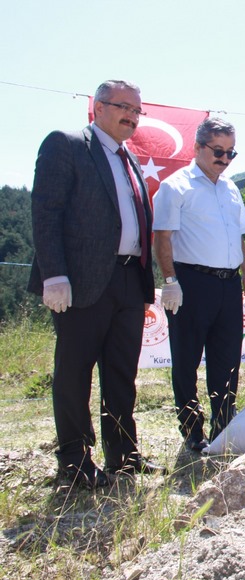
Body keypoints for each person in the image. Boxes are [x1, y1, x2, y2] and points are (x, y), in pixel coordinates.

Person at [28, 79, 165, 488]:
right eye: (124, 106)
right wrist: (55, 274)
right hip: (82, 282)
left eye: (137, 110)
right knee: (74, 373)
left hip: (127, 281)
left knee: (121, 373)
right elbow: (46, 211)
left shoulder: (130, 159)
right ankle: (74, 462)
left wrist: (143, 287)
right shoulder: (67, 145)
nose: (132, 115)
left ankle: (123, 454)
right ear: (97, 107)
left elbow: (137, 225)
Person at [152, 118, 245, 452]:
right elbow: (162, 237)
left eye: (231, 153)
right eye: (218, 151)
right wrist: (170, 281)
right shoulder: (175, 186)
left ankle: (223, 426)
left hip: (228, 286)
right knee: (186, 359)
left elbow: (238, 236)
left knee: (227, 359)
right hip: (191, 283)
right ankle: (192, 430)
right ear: (198, 148)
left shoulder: (231, 187)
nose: (225, 159)